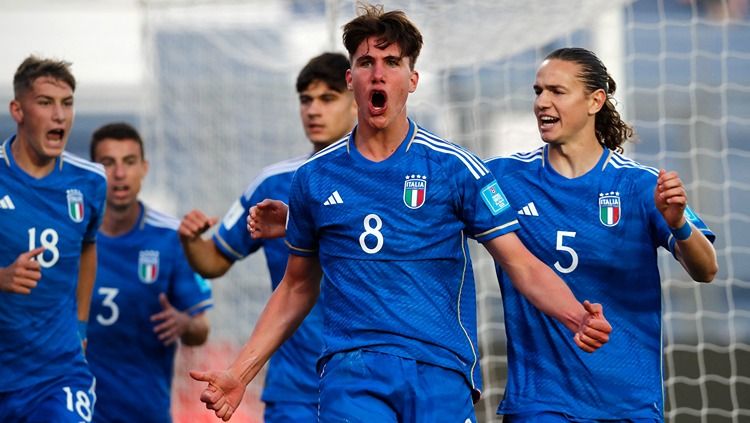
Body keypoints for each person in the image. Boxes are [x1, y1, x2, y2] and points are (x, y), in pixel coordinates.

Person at [191, 6, 611, 423]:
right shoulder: (313, 179)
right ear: (350, 78)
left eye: (392, 62)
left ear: (412, 80)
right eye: (365, 62)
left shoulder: (455, 168)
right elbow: (296, 287)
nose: (378, 74)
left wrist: (575, 315)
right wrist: (239, 373)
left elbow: (520, 262)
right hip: (352, 373)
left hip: (439, 371)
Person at [484, 47, 717, 422]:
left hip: (628, 402)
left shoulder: (639, 185)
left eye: (557, 91)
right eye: (538, 91)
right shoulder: (503, 179)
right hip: (541, 403)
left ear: (595, 101)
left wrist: (678, 224)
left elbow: (706, 269)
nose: (542, 102)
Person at [178, 52, 357, 421]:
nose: (313, 110)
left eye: (327, 98)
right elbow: (213, 261)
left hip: (362, 382)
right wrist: (192, 241)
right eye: (306, 100)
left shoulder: (379, 183)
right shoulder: (273, 183)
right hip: (293, 389)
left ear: (356, 104)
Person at [0, 55, 106, 422]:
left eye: (67, 103)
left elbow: (89, 246)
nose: (59, 115)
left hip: (58, 372)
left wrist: (80, 325)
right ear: (18, 110)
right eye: (45, 103)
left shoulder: (91, 182)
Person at [86, 122, 213, 423]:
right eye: (108, 163)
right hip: (77, 409)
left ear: (144, 168)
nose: (119, 174)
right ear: (92, 170)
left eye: (129, 162)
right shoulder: (71, 236)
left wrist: (184, 323)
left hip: (144, 411)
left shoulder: (171, 238)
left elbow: (201, 329)